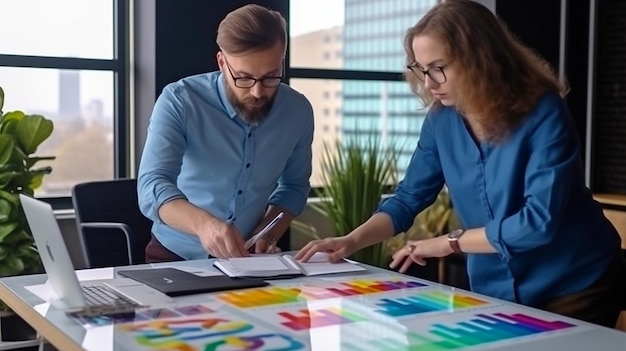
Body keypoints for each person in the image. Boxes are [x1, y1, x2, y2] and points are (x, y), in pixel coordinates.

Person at [296, 0, 626, 328]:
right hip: (498, 288)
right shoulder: (441, 120)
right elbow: (409, 197)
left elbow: (538, 221)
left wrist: (448, 242)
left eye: (439, 68)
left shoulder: (543, 111)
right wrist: (351, 241)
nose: (428, 83)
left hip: (576, 279)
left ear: (480, 58)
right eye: (421, 70)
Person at [138, 4, 314, 261]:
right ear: (222, 62)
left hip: (247, 259)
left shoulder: (297, 111)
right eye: (243, 78)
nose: (257, 92)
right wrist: (204, 225)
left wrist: (269, 233)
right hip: (175, 255)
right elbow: (152, 183)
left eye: (271, 76)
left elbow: (294, 186)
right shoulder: (180, 101)